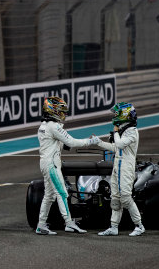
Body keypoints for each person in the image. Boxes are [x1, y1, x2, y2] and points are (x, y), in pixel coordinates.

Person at [35, 96, 99, 235]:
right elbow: (72, 142)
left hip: (46, 163)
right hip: (51, 164)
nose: (63, 114)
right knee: (62, 193)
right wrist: (91, 141)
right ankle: (69, 223)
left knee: (49, 196)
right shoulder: (53, 126)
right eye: (61, 111)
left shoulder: (43, 126)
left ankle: (41, 225)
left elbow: (58, 143)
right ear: (52, 111)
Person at [93, 102, 145, 237]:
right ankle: (113, 227)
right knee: (115, 198)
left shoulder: (132, 132)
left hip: (127, 166)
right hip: (118, 165)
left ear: (125, 115)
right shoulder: (124, 131)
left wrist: (115, 132)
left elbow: (120, 144)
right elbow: (116, 148)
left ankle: (139, 225)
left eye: (117, 114)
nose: (115, 116)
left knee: (126, 197)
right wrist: (98, 142)